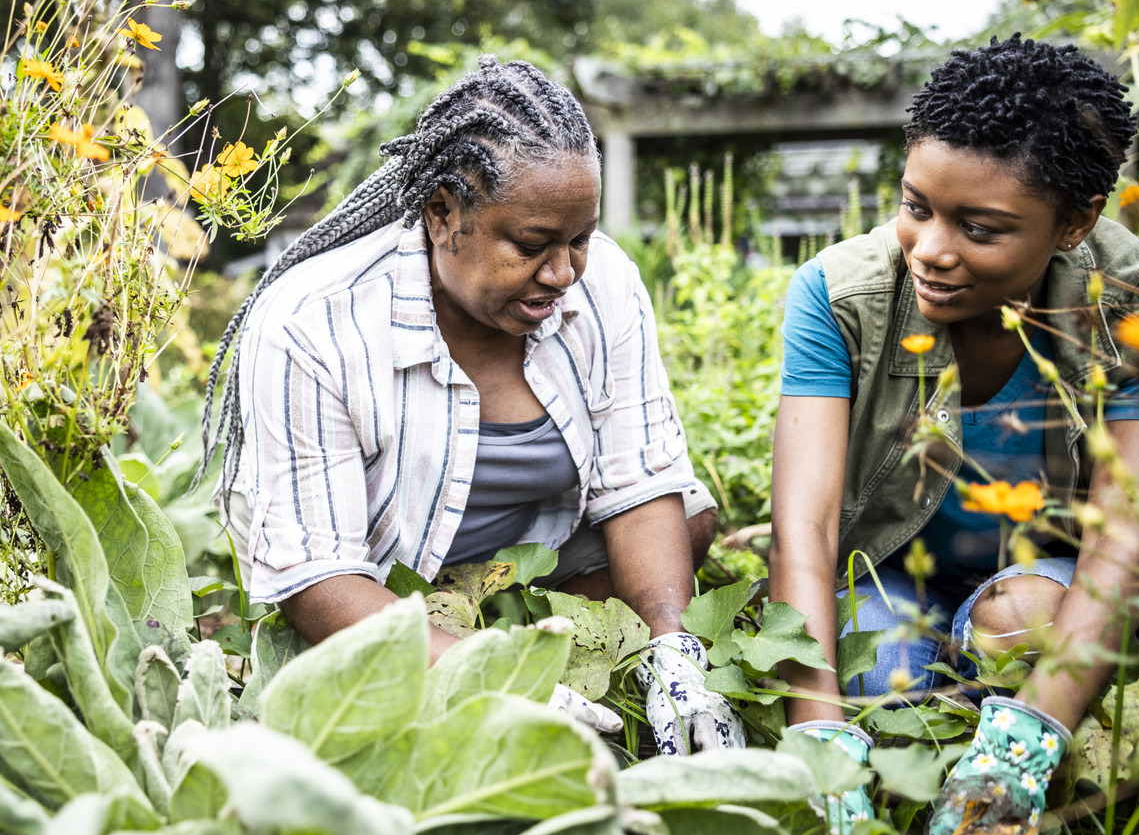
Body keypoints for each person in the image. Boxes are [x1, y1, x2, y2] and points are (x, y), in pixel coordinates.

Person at [195, 56, 743, 754]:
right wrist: (489, 677)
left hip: (529, 560)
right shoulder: (313, 323)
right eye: (533, 244)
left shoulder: (601, 282)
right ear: (442, 215)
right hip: (378, 581)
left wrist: (674, 651)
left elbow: (640, 482)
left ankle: (583, 654)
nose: (564, 273)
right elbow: (318, 575)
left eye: (579, 239)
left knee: (684, 519)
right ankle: (464, 657)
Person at [768, 35, 1139, 835]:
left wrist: (1024, 747)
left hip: (1046, 588)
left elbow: (1122, 542)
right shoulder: (837, 295)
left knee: (1020, 618)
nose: (929, 249)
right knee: (879, 686)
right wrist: (820, 738)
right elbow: (805, 529)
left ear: (1075, 222)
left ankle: (1006, 744)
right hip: (893, 578)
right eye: (916, 206)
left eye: (980, 227)